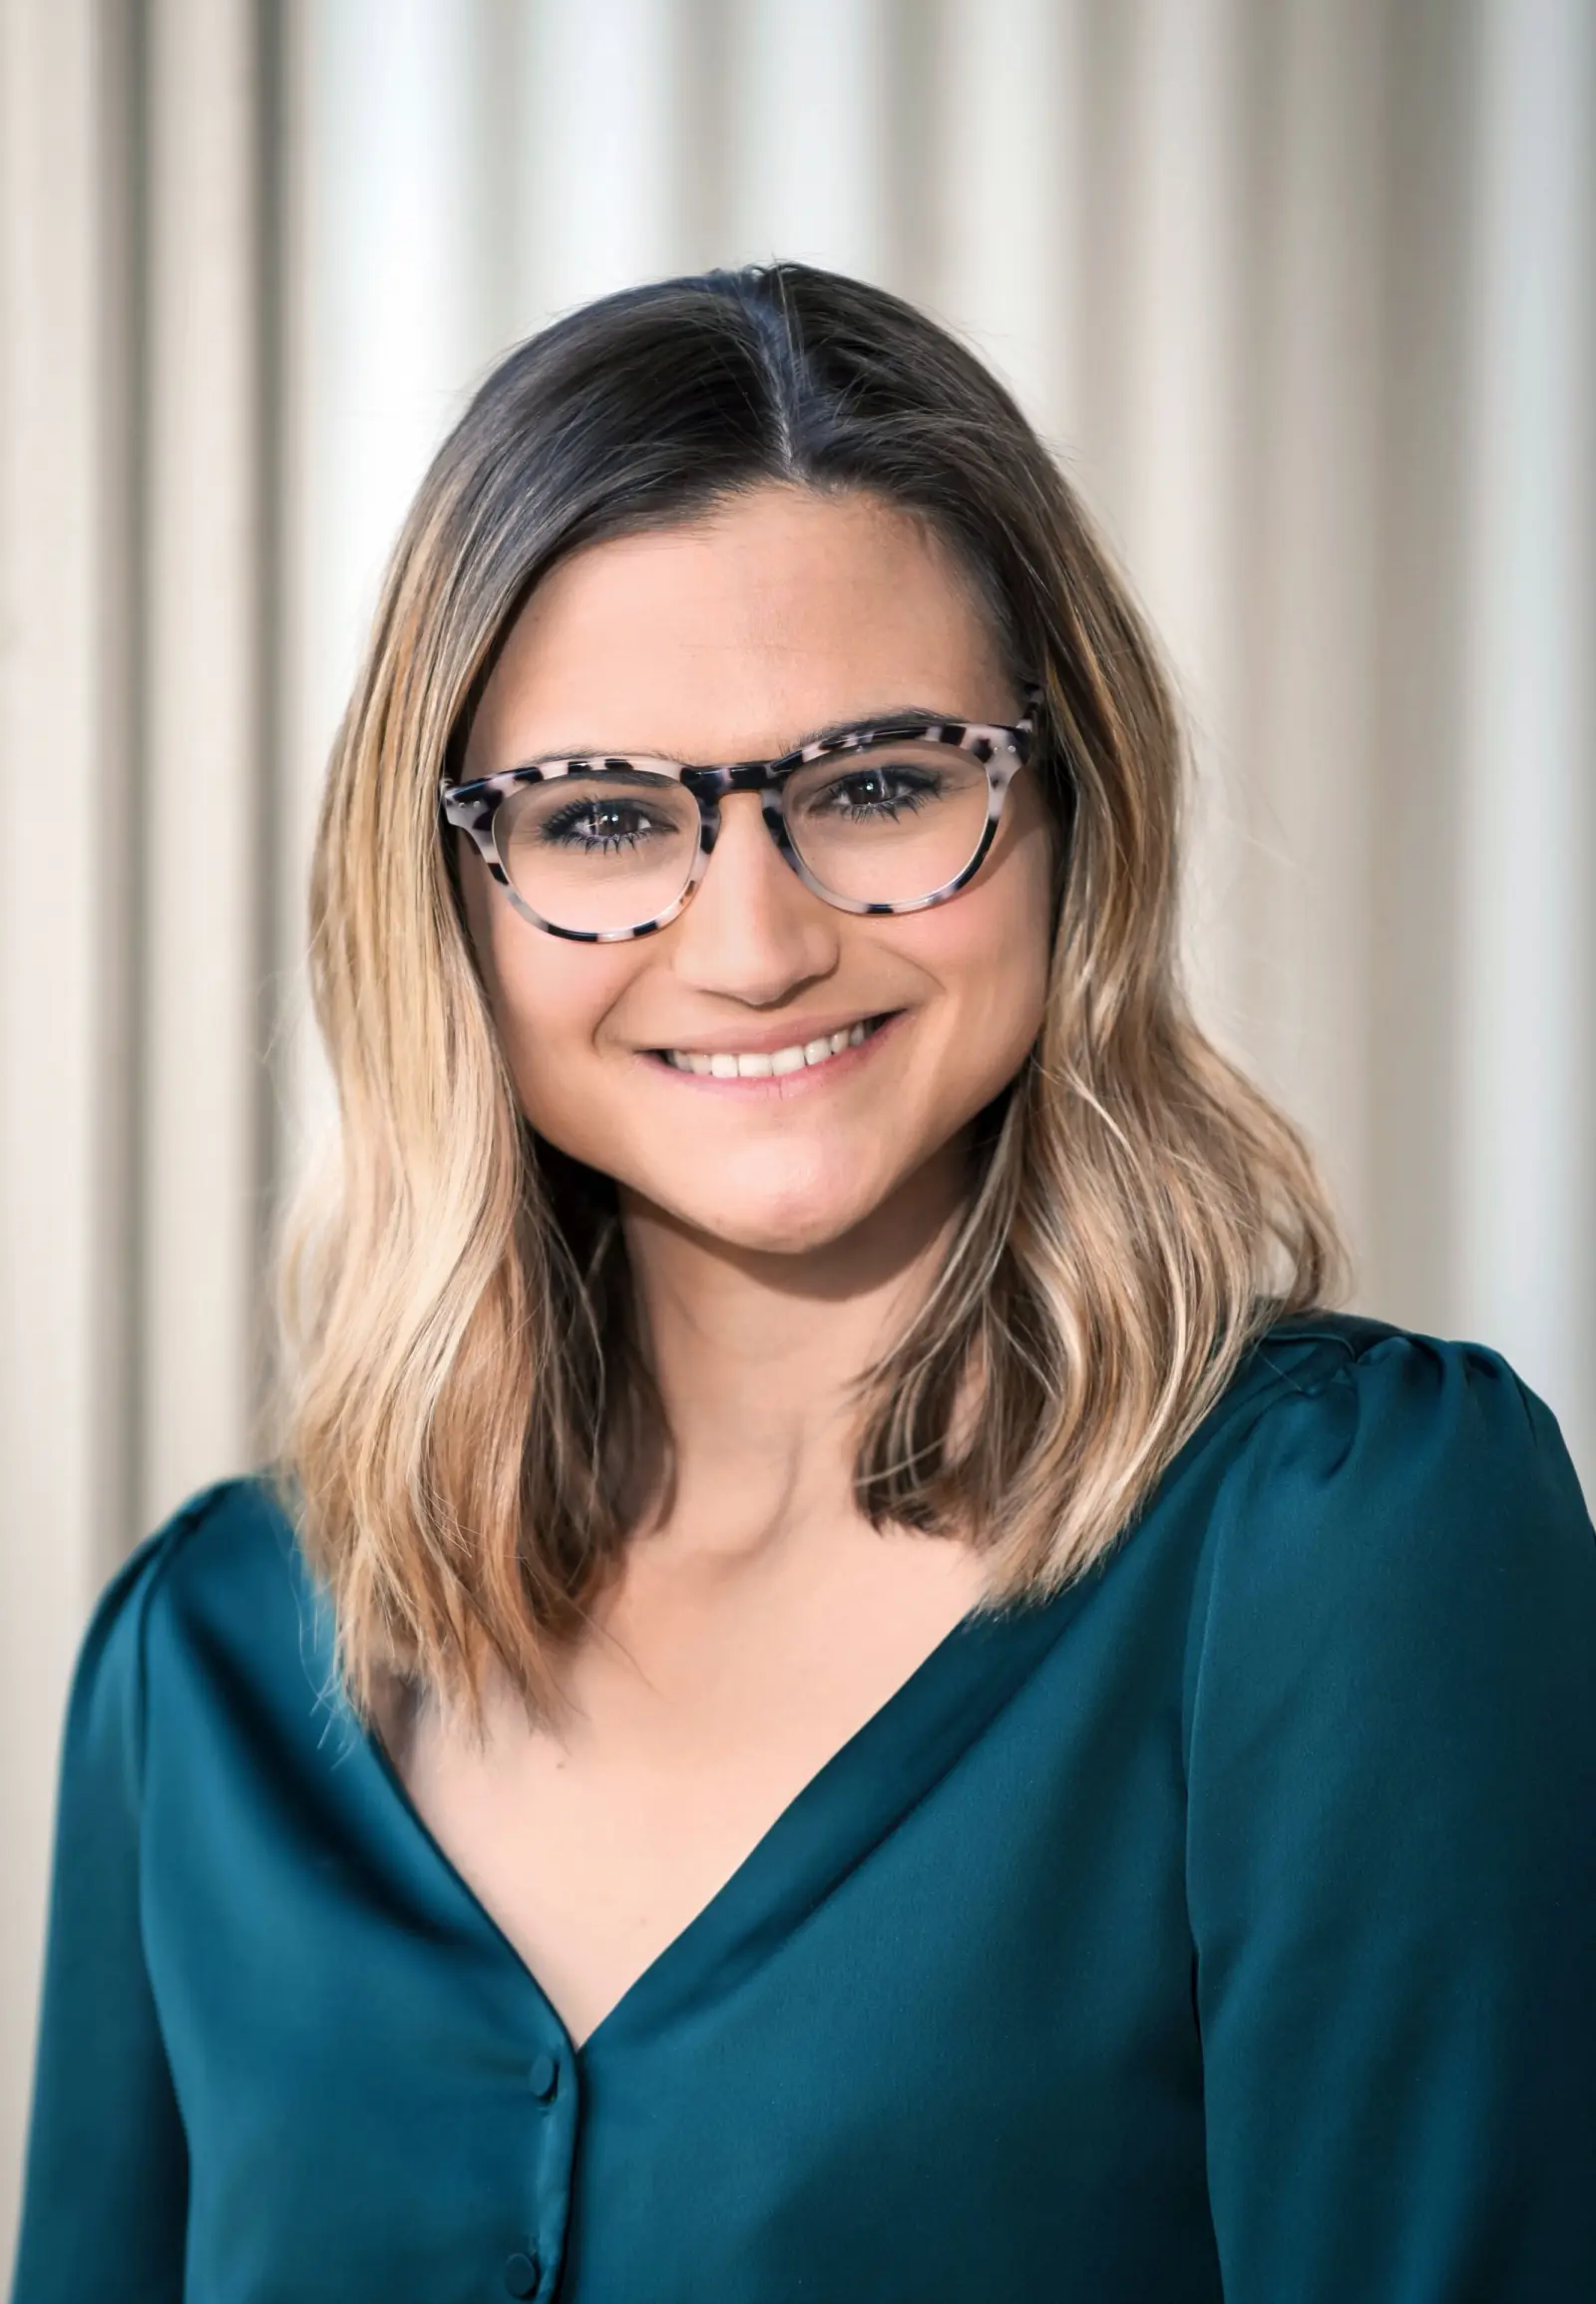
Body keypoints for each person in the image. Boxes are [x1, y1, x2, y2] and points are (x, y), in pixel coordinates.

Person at [10, 263, 1595, 2304]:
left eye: (877, 784)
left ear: (1068, 808)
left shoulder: (1347, 1550)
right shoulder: (209, 1668)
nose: (753, 945)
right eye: (600, 817)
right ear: (446, 901)